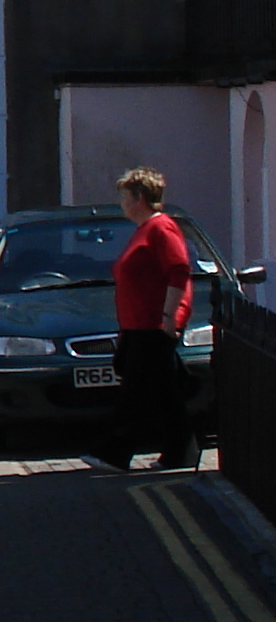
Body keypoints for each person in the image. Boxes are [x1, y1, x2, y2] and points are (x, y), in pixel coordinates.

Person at [111, 166, 197, 470]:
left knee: (134, 393)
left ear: (140, 198)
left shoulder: (161, 228)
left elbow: (179, 270)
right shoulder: (145, 229)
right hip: (137, 326)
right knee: (164, 392)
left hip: (153, 325)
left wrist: (169, 316)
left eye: (125, 196)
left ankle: (114, 453)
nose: (122, 203)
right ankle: (182, 452)